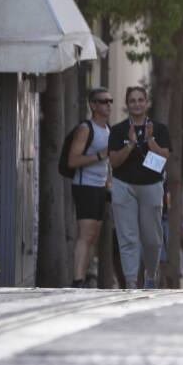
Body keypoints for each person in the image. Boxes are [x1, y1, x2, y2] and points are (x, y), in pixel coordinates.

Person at [108, 86, 172, 289]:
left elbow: (164, 157)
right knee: (128, 236)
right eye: (132, 100)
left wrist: (150, 140)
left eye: (140, 100)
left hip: (151, 185)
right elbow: (114, 162)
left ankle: (151, 275)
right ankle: (131, 281)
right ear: (127, 104)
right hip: (123, 185)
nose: (136, 104)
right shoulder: (118, 130)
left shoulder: (159, 129)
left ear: (147, 103)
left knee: (152, 239)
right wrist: (130, 144)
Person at [68, 87, 113, 288]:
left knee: (93, 235)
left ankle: (85, 278)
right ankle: (77, 280)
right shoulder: (86, 128)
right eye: (104, 101)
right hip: (84, 185)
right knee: (85, 234)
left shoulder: (108, 129)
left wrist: (109, 179)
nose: (108, 105)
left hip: (100, 187)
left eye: (110, 101)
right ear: (93, 105)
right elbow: (72, 160)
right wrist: (100, 155)